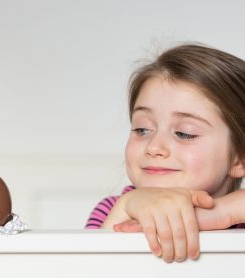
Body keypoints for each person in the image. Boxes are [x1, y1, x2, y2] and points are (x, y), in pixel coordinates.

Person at [85, 43, 245, 263]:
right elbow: (88, 268)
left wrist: (222, 212)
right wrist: (125, 206)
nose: (153, 147)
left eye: (184, 133)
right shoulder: (113, 210)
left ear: (239, 157)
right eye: (142, 129)